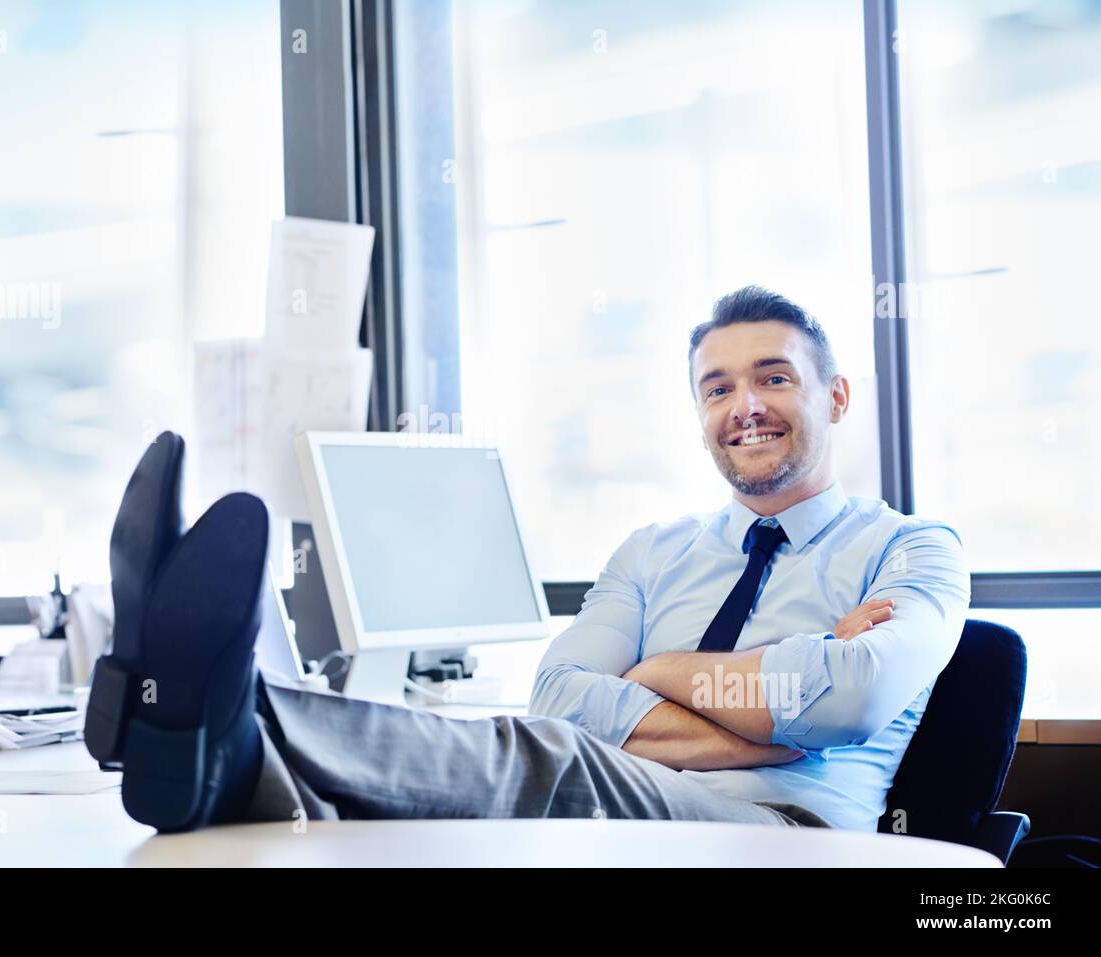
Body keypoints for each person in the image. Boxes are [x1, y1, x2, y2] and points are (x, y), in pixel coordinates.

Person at [93, 285, 970, 834]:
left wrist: (656, 670)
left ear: (836, 395)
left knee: (544, 757)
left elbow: (848, 695)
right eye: (718, 387)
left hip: (785, 833)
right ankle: (218, 762)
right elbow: (560, 691)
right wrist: (763, 712)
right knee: (374, 835)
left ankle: (220, 725)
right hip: (623, 824)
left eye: (774, 377)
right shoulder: (653, 550)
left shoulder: (914, 549)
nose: (746, 405)